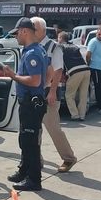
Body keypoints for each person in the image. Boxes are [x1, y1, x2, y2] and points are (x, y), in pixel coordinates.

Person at [1, 17, 47, 191]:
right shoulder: (37, 50)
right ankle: (24, 171)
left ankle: (34, 180)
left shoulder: (33, 53)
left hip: (31, 103)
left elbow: (35, 81)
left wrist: (13, 76)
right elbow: (47, 74)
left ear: (24, 31)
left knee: (30, 143)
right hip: (32, 101)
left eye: (17, 33)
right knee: (25, 140)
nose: (16, 37)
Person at [32, 16, 78, 173]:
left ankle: (69, 158)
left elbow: (58, 70)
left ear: (43, 30)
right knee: (34, 128)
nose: (32, 31)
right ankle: (36, 160)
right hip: (35, 93)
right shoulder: (32, 46)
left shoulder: (54, 47)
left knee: (53, 128)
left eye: (35, 29)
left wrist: (52, 92)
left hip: (49, 92)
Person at [58, 31, 91, 121]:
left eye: (58, 38)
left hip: (75, 71)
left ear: (61, 38)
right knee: (83, 94)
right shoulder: (75, 46)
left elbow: (60, 63)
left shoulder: (60, 47)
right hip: (86, 70)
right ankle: (82, 115)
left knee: (69, 95)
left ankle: (75, 115)